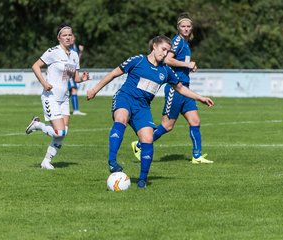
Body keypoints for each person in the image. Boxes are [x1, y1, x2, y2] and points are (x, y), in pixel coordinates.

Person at [86, 35, 214, 188]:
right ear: (154, 46)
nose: (165, 54)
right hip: (125, 98)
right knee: (121, 118)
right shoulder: (137, 60)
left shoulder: (166, 71)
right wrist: (94, 90)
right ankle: (112, 161)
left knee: (147, 138)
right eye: (163, 49)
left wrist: (200, 97)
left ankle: (142, 181)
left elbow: (180, 88)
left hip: (143, 107)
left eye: (168, 51)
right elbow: (114, 73)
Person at [131, 13, 213, 164]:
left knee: (195, 121)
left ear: (192, 27)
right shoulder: (177, 41)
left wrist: (188, 67)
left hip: (185, 88)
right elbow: (168, 59)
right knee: (167, 126)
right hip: (176, 89)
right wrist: (187, 65)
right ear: (178, 27)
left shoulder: (185, 44)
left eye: (188, 26)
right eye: (183, 26)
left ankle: (197, 156)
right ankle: (139, 145)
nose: (186, 28)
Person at [26, 23, 90, 170]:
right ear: (59, 38)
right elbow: (35, 66)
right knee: (59, 131)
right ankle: (37, 125)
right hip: (51, 97)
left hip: (64, 99)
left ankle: (46, 161)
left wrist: (83, 78)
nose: (68, 37)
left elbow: (72, 77)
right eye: (64, 35)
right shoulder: (53, 52)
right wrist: (44, 82)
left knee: (63, 133)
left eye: (70, 34)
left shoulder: (74, 55)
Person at [68, 34, 87, 116]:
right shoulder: (69, 48)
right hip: (69, 72)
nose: (71, 39)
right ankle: (75, 110)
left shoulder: (74, 47)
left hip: (73, 71)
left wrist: (81, 52)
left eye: (72, 37)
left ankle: (58, 107)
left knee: (68, 92)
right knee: (73, 90)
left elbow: (77, 61)